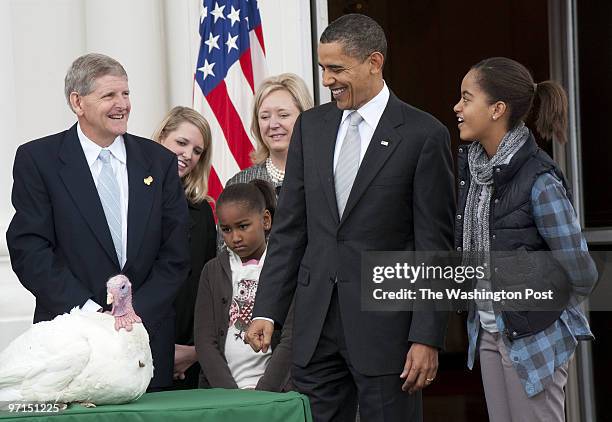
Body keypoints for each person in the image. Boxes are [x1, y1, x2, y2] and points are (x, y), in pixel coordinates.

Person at [246, 13, 454, 422]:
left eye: (337, 69)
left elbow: (435, 247)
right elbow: (291, 231)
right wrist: (267, 309)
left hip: (387, 333)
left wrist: (426, 337)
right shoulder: (311, 127)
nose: (326, 80)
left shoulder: (423, 135)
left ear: (374, 63)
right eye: (323, 68)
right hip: (314, 329)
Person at [6, 53, 190, 391]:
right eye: (109, 95)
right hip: (70, 342)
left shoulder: (158, 162)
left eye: (126, 93)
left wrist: (132, 314)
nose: (122, 104)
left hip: (144, 340)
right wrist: (89, 312)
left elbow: (176, 253)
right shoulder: (39, 160)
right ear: (78, 102)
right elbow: (29, 248)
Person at [452, 57, 597, 421]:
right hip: (487, 331)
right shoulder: (473, 172)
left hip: (532, 338)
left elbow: (581, 273)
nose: (457, 107)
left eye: (467, 98)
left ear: (497, 109)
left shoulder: (539, 179)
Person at [194, 180, 293, 392]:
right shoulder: (212, 272)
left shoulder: (286, 268)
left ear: (266, 220)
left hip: (275, 392)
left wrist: (263, 393)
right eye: (226, 229)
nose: (235, 237)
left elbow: (291, 339)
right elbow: (205, 342)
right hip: (223, 394)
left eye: (243, 226)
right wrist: (232, 396)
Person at [152, 106, 216, 389]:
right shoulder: (132, 196)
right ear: (162, 136)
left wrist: (195, 350)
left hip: (188, 352)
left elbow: (206, 283)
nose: (188, 155)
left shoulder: (202, 210)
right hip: (139, 342)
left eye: (198, 150)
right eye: (181, 143)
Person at [226, 73, 313, 191]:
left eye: (283, 115)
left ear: (305, 117)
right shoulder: (240, 184)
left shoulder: (324, 175)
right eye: (265, 117)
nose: (273, 125)